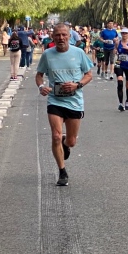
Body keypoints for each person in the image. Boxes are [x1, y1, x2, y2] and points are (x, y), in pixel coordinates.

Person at [35, 23, 94, 186]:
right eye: (57, 35)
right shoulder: (47, 54)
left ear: (69, 36)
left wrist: (77, 85)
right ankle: (62, 172)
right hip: (55, 100)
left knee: (72, 141)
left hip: (74, 102)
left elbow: (89, 74)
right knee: (55, 135)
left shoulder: (78, 53)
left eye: (64, 35)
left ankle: (65, 143)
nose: (61, 38)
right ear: (52, 37)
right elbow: (39, 75)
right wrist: (41, 87)